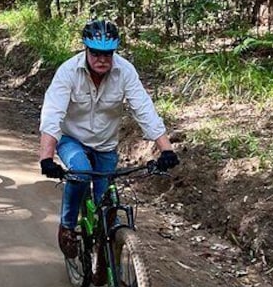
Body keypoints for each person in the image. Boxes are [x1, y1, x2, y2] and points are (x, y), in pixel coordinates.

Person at [38, 19, 179, 259]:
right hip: (71, 138)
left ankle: (105, 254)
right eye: (96, 53)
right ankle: (68, 226)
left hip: (106, 145)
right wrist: (47, 158)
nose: (102, 59)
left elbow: (144, 109)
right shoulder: (68, 72)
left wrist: (166, 149)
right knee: (80, 173)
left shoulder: (125, 72)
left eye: (108, 54)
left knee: (108, 205)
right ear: (86, 50)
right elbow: (53, 114)